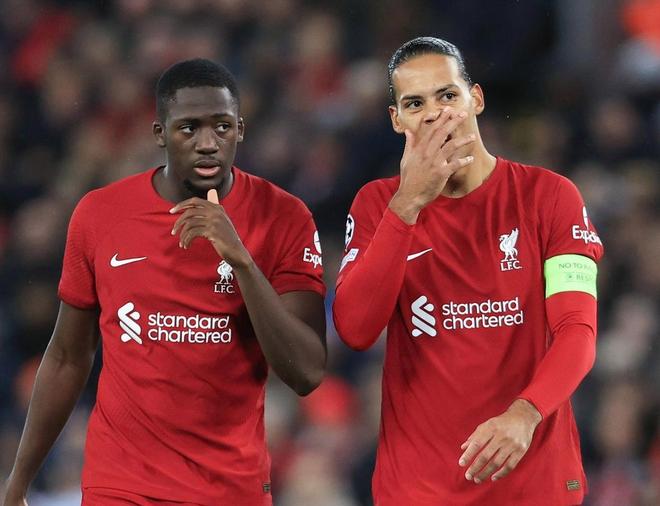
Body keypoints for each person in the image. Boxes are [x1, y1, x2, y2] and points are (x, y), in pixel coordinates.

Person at [4, 58, 327, 506]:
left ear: (240, 130)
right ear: (160, 133)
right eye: (189, 128)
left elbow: (307, 372)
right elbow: (67, 357)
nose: (208, 143)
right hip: (121, 486)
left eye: (222, 127)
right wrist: (19, 480)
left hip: (230, 489)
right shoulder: (100, 215)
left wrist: (242, 263)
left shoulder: (285, 217)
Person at [333, 37, 604, 506]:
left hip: (533, 484)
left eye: (447, 95)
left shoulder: (550, 197)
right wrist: (408, 205)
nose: (434, 114)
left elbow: (577, 330)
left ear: (475, 98)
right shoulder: (379, 205)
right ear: (396, 119)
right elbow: (355, 330)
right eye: (415, 103)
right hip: (419, 491)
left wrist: (526, 412)